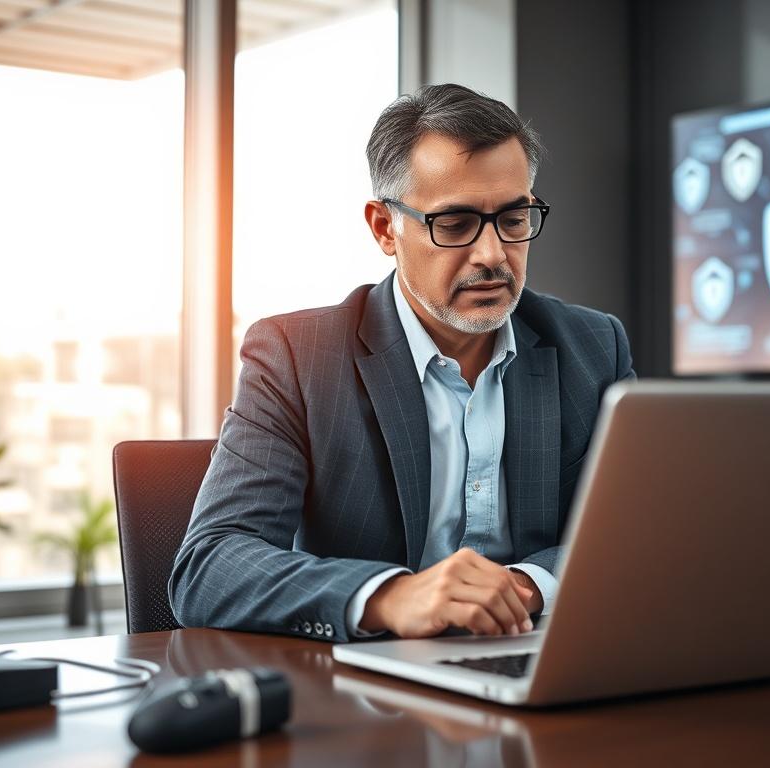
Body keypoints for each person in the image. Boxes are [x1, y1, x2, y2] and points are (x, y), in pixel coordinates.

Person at [169, 83, 634, 643]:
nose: (492, 255)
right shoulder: (296, 356)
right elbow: (210, 565)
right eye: (455, 224)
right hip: (365, 694)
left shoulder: (593, 346)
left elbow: (640, 529)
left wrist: (525, 587)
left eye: (514, 219)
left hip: (538, 657)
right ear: (385, 228)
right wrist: (389, 596)